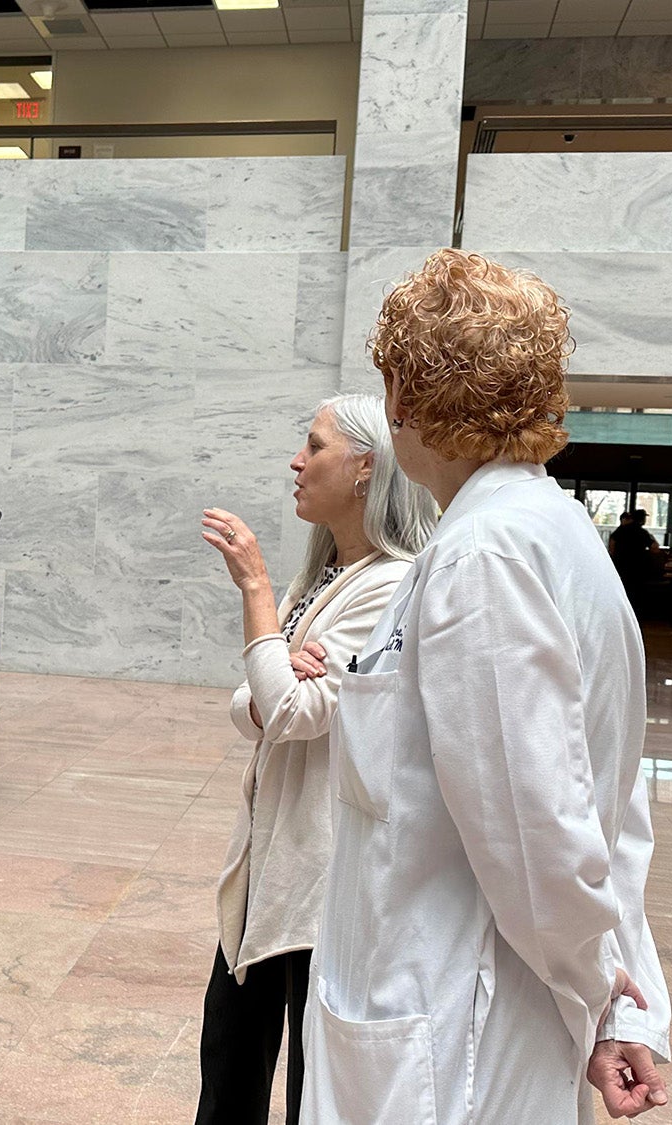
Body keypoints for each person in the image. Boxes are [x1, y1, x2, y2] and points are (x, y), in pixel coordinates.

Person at [304, 250, 670, 1124]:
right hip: (465, 1008)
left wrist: (595, 980)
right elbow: (609, 809)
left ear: (407, 398)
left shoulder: (485, 555)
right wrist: (617, 995)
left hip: (448, 1028)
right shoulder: (546, 531)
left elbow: (535, 820)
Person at [196, 393, 435, 1125]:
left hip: (324, 882)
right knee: (228, 1070)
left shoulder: (393, 584)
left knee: (312, 1088)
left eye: (315, 445)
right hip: (269, 865)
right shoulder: (326, 574)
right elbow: (249, 704)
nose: (296, 463)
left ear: (366, 468)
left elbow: (294, 711)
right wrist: (276, 660)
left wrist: (256, 593)